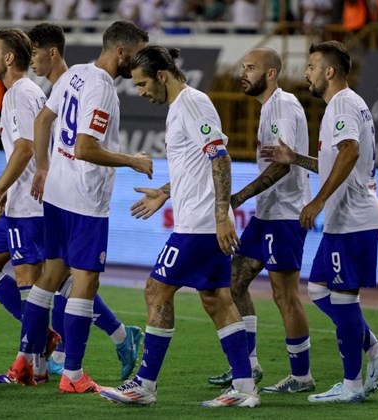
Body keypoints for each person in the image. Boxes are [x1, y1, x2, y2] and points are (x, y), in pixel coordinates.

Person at [101, 45, 259, 408]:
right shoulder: (181, 108)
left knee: (156, 290)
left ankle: (144, 384)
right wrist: (165, 192)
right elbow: (196, 165)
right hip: (200, 221)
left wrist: (222, 215)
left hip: (199, 226)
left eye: (142, 84)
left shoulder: (192, 103)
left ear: (161, 75)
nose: (140, 92)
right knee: (217, 299)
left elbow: (220, 155)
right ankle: (245, 387)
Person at [0, 20, 151, 393]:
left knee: (48, 279)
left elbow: (44, 119)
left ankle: (23, 362)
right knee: (85, 281)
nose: (140, 60)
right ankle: (73, 375)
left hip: (56, 194)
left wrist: (46, 167)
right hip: (85, 200)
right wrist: (132, 160)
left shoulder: (75, 73)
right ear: (121, 52)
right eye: (138, 53)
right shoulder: (102, 89)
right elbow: (85, 148)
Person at [261, 40, 378, 403]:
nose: (306, 72)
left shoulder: (342, 103)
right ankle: (376, 352)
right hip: (346, 219)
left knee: (342, 296)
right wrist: (296, 157)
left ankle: (352, 385)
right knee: (320, 290)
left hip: (353, 217)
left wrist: (318, 201)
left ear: (329, 71)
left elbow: (350, 152)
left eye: (311, 66)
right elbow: (336, 160)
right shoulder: (345, 105)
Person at [207, 47, 315, 394]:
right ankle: (249, 365)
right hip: (268, 213)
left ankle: (301, 376)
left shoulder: (282, 105)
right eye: (243, 67)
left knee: (285, 294)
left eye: (250, 68)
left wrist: (238, 196)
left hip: (285, 214)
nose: (244, 73)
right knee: (235, 280)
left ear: (270, 73)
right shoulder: (268, 107)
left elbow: (283, 163)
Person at [0, 28, 57, 384]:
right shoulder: (17, 94)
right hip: (19, 202)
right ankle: (43, 340)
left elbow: (25, 147)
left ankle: (31, 363)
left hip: (30, 205)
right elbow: (22, 149)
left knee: (31, 282)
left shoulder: (21, 93)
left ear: (9, 58)